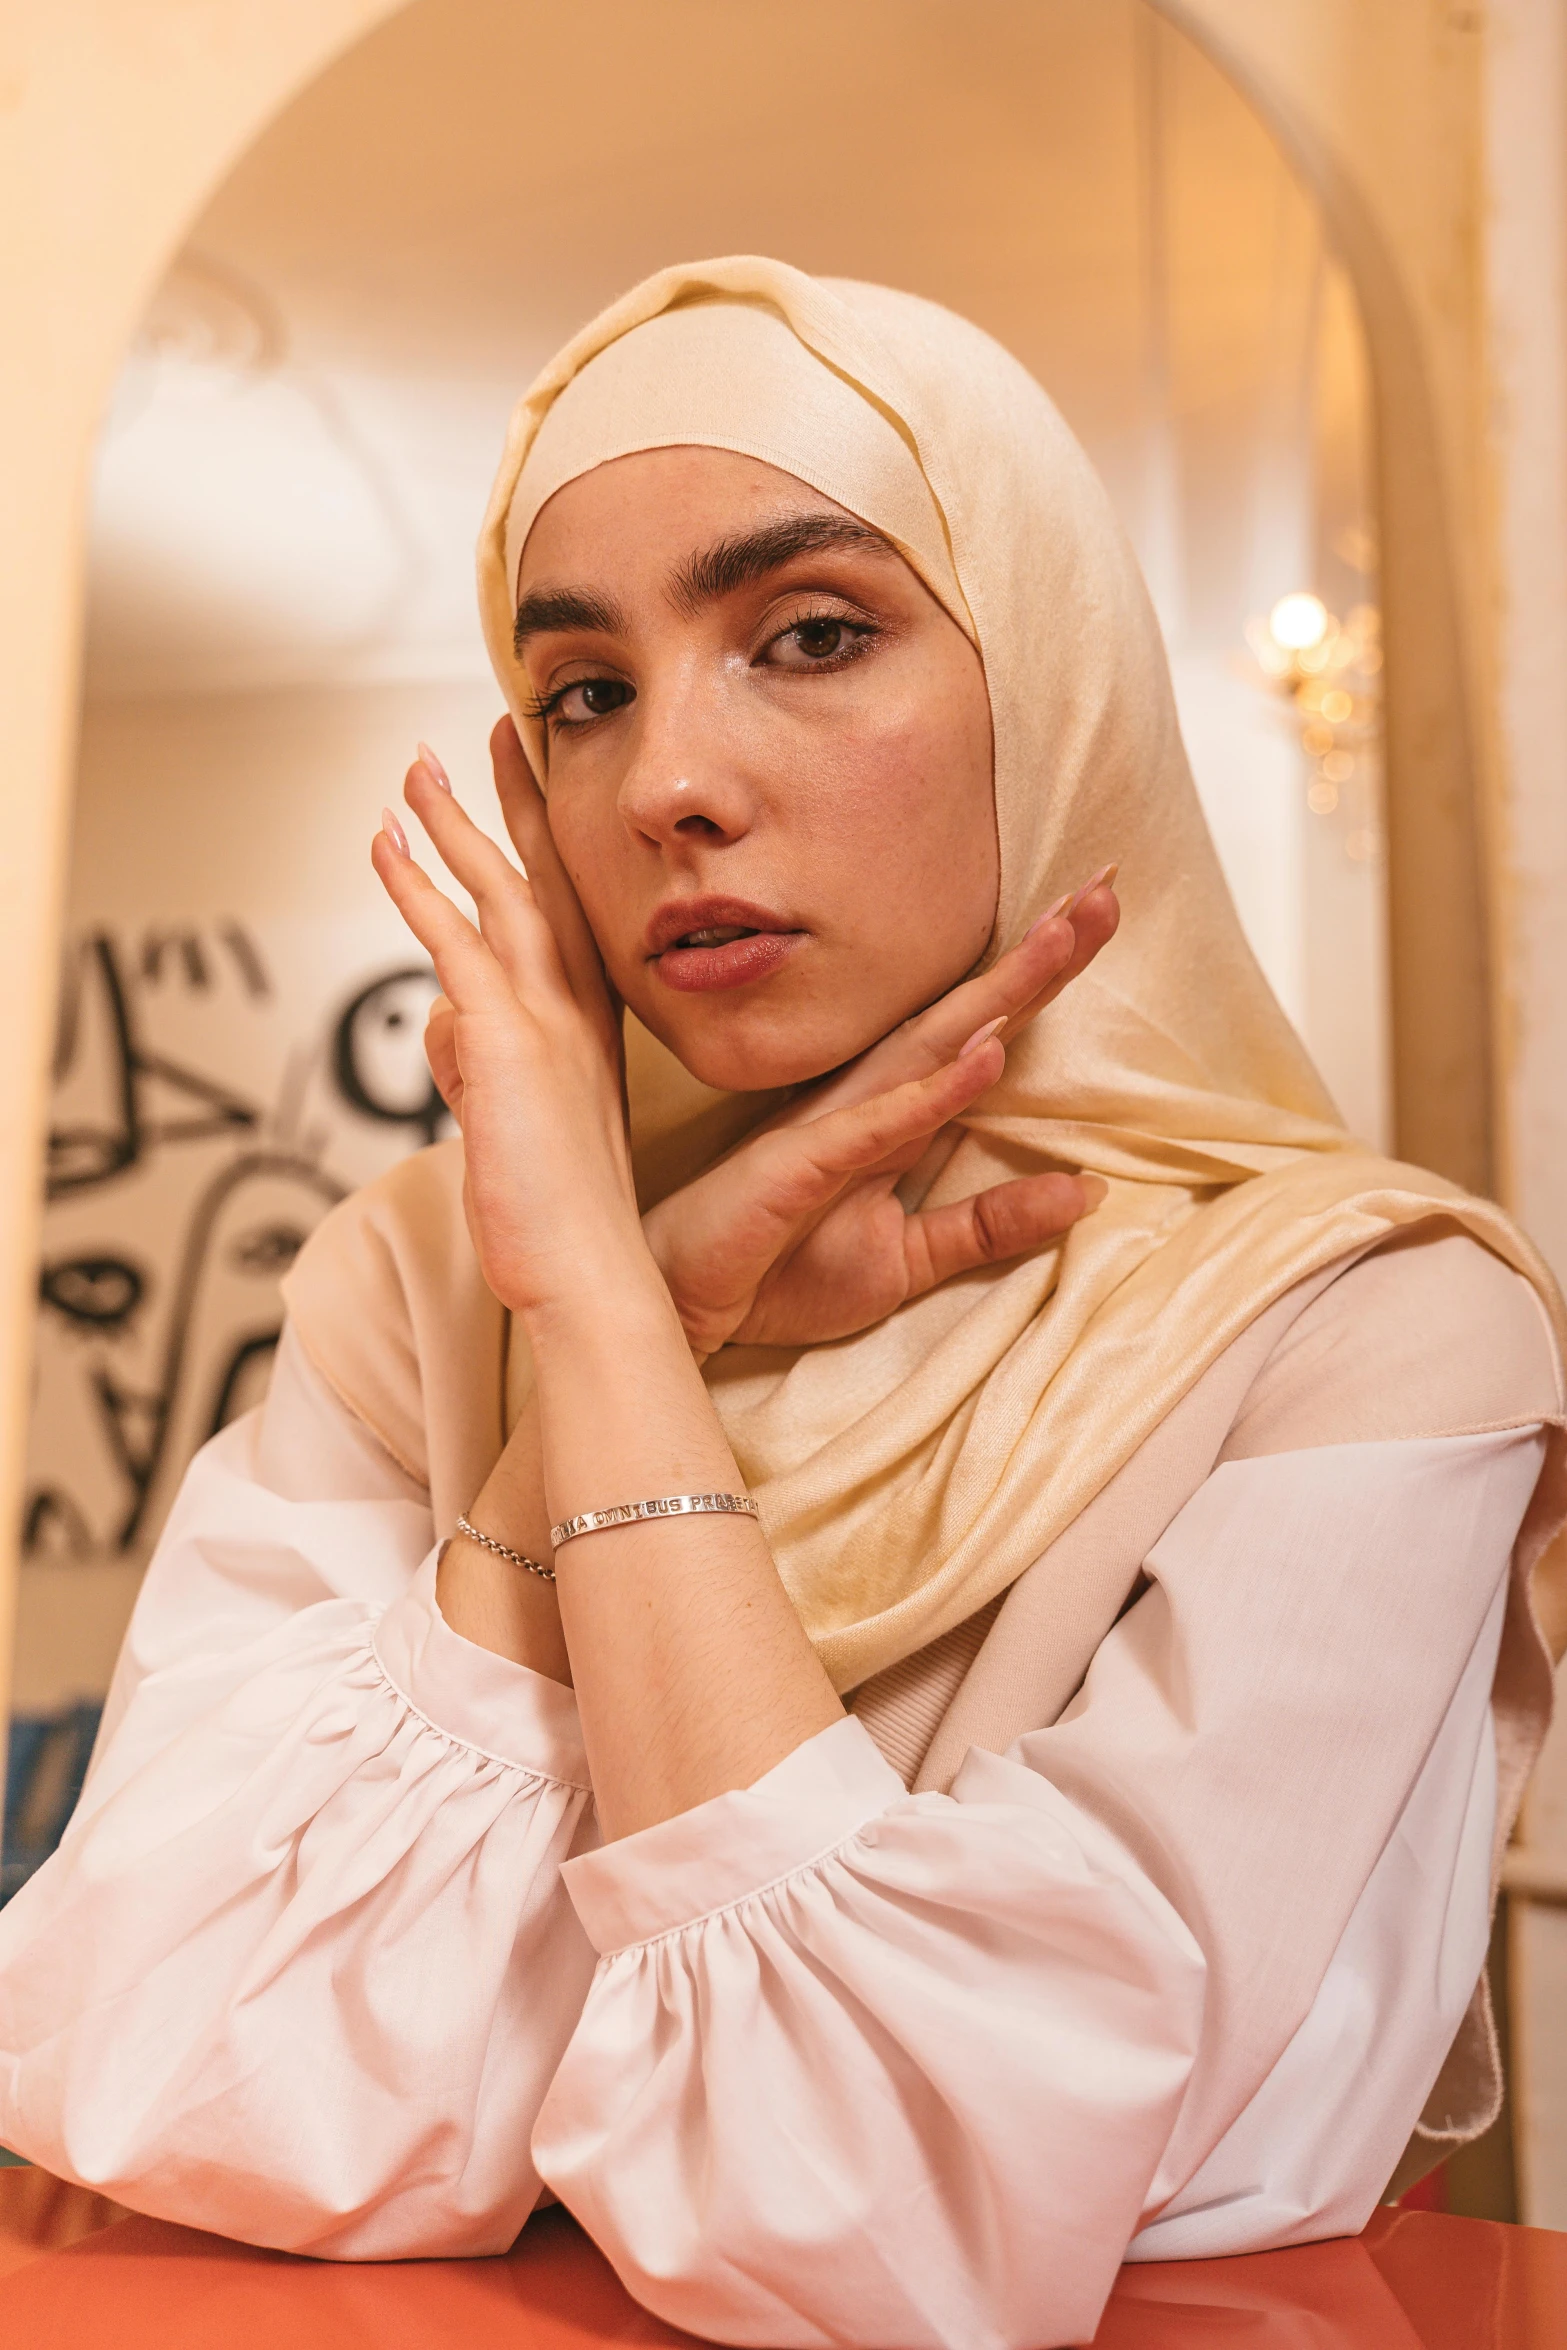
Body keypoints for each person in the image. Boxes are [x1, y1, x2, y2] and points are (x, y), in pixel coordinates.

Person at [1, 257, 1563, 2350]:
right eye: (585, 692)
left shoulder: (1369, 1329)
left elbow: (888, 2209)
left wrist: (617, 1330)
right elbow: (170, 2072)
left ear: (1053, 682)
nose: (667, 783)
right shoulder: (419, 1275)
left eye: (813, 634)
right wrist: (611, 1309)